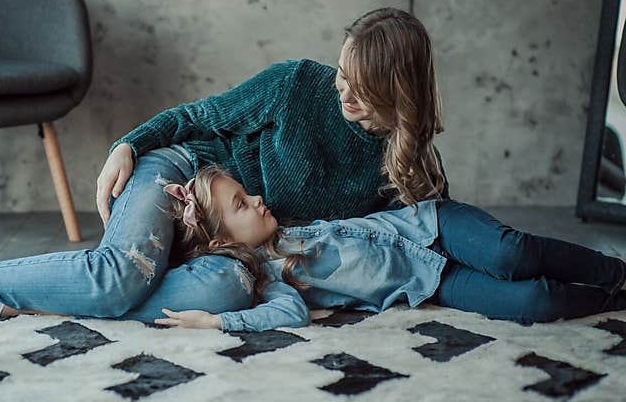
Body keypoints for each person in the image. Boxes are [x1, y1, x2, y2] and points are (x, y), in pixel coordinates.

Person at [0, 7, 451, 318]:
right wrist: (130, 142)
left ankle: (36, 297)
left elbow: (399, 237)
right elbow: (196, 115)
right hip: (179, 173)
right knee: (121, 275)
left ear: (398, 92)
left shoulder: (406, 162)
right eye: (342, 74)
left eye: (361, 88)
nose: (341, 93)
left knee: (227, 296)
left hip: (236, 240)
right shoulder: (297, 84)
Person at [154, 165, 626, 330]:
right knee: (533, 302)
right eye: (241, 204)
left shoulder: (287, 230)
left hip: (430, 227)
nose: (257, 200)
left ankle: (614, 271)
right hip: (431, 283)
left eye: (247, 193)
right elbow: (290, 318)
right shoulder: (273, 283)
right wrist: (217, 320)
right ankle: (612, 300)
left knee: (509, 254)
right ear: (220, 242)